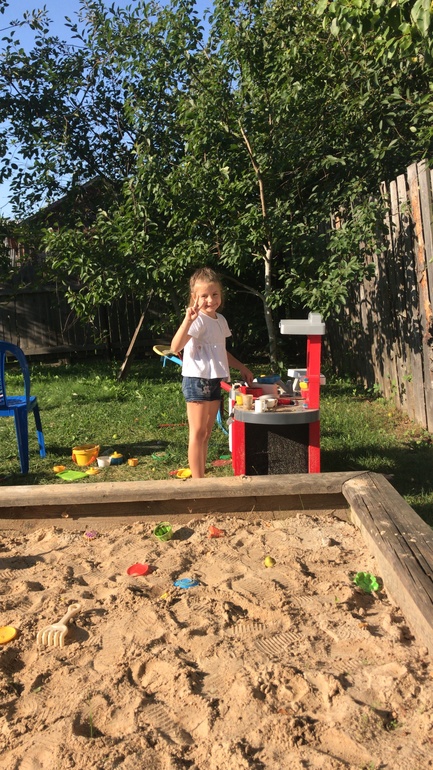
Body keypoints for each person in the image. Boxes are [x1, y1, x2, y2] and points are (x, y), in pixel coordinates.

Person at [171, 267, 254, 478]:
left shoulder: (220, 320)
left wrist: (242, 367)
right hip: (197, 380)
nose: (210, 300)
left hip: (215, 380)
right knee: (197, 432)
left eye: (215, 294)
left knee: (206, 433)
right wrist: (187, 320)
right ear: (194, 298)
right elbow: (175, 347)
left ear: (221, 294)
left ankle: (201, 477)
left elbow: (221, 351)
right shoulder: (196, 320)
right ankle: (198, 482)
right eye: (204, 296)